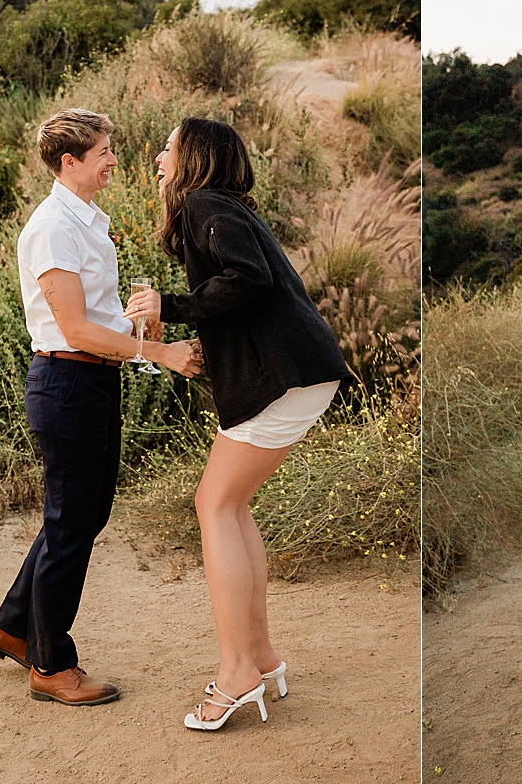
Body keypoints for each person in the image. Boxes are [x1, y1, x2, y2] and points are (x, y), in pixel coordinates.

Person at [127, 117, 350, 732]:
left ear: (193, 157)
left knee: (214, 504)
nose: (158, 159)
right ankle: (262, 657)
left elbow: (247, 277)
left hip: (287, 375)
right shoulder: (220, 205)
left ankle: (236, 673)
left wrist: (169, 306)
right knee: (231, 504)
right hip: (300, 371)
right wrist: (197, 337)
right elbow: (248, 287)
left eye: (168, 149)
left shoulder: (202, 203)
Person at [0, 108, 202, 707]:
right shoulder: (53, 227)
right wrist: (159, 351)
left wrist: (131, 320)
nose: (113, 159)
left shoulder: (87, 222)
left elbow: (90, 321)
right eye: (102, 151)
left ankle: (13, 626)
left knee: (79, 517)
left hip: (94, 383)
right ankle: (50, 666)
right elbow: (73, 330)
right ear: (68, 162)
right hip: (67, 383)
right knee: (71, 523)